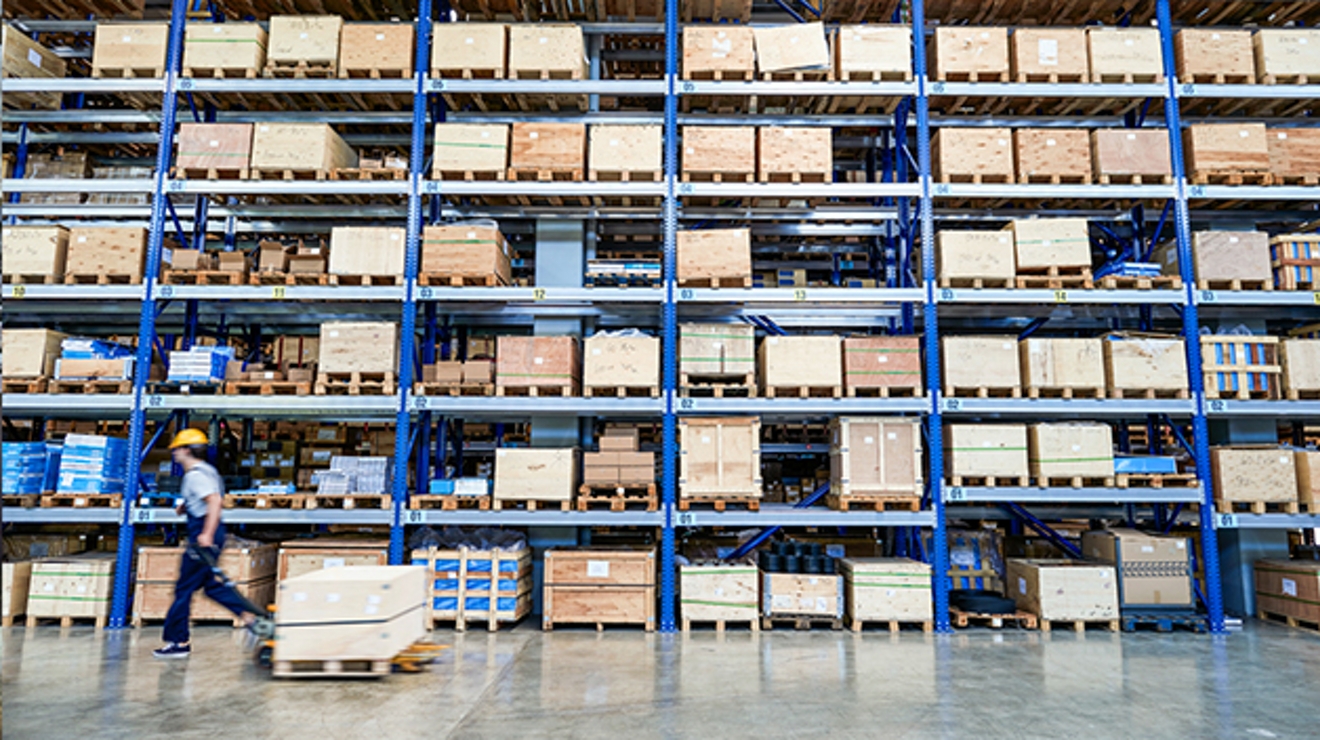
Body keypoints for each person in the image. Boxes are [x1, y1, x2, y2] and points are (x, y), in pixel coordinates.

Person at [153, 429, 257, 659]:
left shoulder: (195, 475)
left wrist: (206, 535)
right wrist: (186, 506)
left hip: (203, 534)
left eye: (177, 449)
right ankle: (251, 619)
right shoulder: (207, 471)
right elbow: (207, 498)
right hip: (209, 531)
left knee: (184, 589)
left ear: (187, 450)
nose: (175, 453)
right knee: (211, 586)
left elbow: (214, 501)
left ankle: (177, 641)